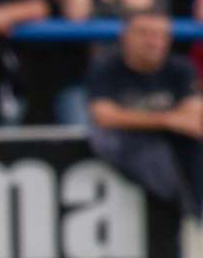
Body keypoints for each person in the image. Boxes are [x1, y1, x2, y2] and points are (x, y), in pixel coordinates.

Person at [87, 11, 203, 217]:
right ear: (125, 37)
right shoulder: (106, 67)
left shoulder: (181, 68)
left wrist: (136, 118)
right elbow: (104, 116)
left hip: (174, 146)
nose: (153, 42)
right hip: (128, 142)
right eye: (144, 34)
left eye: (160, 35)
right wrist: (167, 120)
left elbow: (193, 118)